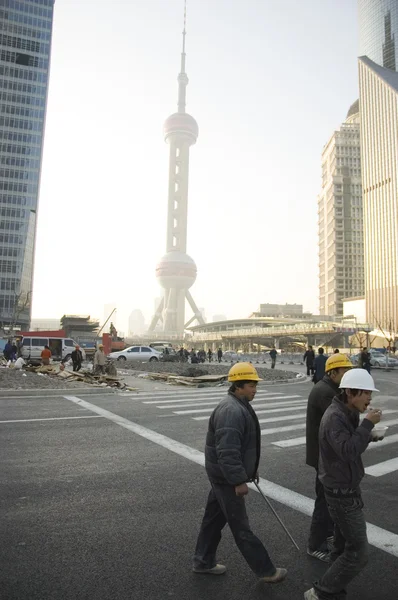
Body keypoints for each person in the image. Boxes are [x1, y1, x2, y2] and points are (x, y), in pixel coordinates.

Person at [193, 363, 287, 584]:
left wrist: (248, 471)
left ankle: (202, 561)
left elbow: (238, 448)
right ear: (238, 386)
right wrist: (238, 480)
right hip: (226, 478)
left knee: (213, 521)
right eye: (251, 384)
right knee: (241, 527)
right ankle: (266, 571)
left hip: (221, 476)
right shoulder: (232, 411)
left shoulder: (238, 405)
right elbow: (227, 452)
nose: (255, 388)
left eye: (255, 384)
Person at [304, 369, 382, 600]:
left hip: (346, 487)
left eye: (370, 393)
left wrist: (368, 434)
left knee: (340, 547)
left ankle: (331, 586)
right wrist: (367, 426)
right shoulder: (335, 417)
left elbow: (351, 446)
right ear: (349, 392)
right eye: (365, 393)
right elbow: (348, 451)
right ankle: (321, 591)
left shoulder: (348, 412)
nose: (369, 398)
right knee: (359, 552)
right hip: (341, 493)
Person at [305, 353, 353, 562]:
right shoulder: (325, 392)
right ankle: (315, 544)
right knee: (324, 501)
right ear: (333, 372)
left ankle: (327, 534)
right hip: (324, 456)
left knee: (328, 499)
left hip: (325, 454)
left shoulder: (330, 388)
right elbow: (339, 422)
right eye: (345, 372)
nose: (348, 375)